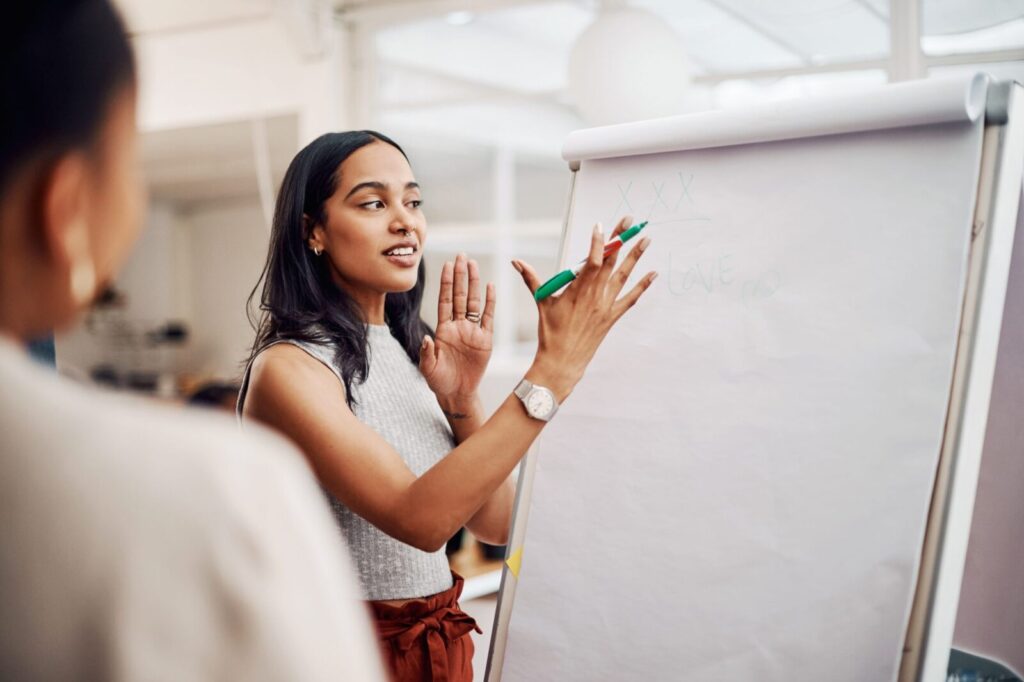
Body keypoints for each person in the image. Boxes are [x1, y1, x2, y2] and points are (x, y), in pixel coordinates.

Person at [0, 1, 384, 680]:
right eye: (130, 161)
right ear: (65, 207)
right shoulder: (220, 487)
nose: (405, 225)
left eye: (412, 201)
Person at [239, 130, 656, 680]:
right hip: (344, 654)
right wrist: (550, 373)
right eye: (373, 203)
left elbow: (495, 520)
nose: (405, 220)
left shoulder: (412, 350)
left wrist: (461, 403)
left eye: (412, 201)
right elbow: (421, 521)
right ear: (312, 230)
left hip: (436, 645)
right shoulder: (289, 368)